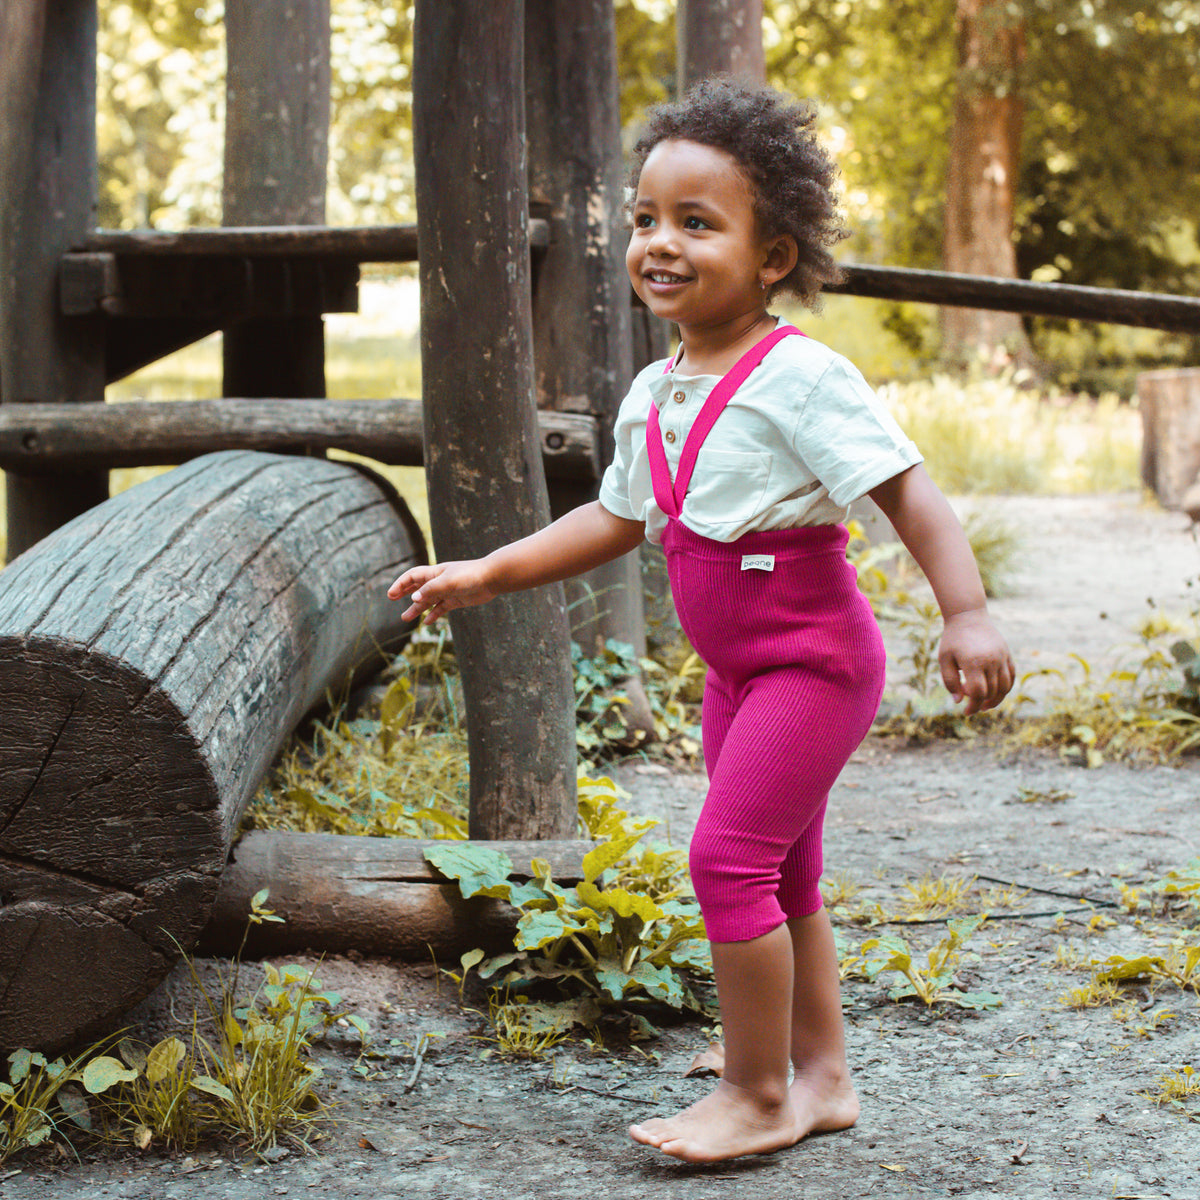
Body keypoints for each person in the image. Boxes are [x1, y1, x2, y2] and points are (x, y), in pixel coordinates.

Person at [388, 78, 1015, 1164]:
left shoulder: (804, 377)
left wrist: (965, 613)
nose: (659, 244)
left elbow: (907, 491)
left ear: (773, 257)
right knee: (781, 874)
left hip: (813, 665)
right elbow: (615, 514)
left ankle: (755, 1091)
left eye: (696, 222)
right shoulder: (655, 387)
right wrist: (491, 571)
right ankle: (818, 1076)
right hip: (739, 674)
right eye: (644, 220)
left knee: (726, 858)